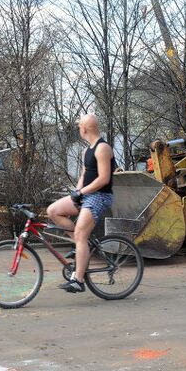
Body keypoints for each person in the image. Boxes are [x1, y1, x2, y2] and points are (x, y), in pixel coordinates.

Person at [46, 114, 117, 293]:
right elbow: (85, 176)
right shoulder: (87, 150)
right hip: (86, 195)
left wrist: (82, 192)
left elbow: (103, 179)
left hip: (99, 196)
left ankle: (78, 280)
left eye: (80, 126)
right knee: (53, 211)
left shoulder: (103, 148)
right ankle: (79, 247)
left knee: (80, 234)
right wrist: (76, 193)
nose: (79, 129)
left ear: (84, 128)